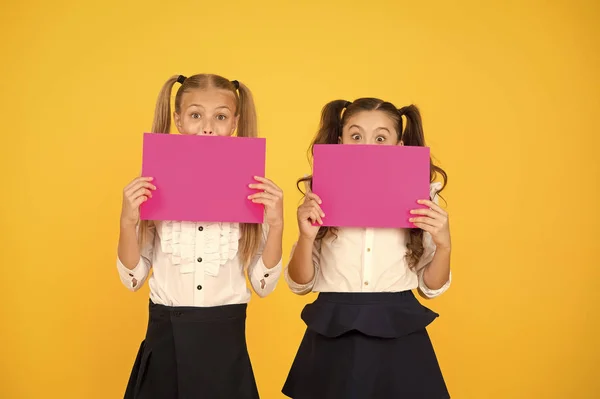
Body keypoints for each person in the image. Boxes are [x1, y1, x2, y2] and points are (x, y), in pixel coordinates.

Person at [117, 74, 284, 399]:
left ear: (234, 122)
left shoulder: (253, 191)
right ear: (178, 119)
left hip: (226, 342)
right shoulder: (154, 187)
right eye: (196, 115)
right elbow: (132, 279)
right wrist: (127, 220)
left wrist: (275, 225)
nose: (208, 127)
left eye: (220, 117)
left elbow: (263, 284)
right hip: (166, 339)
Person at [283, 98, 452, 398]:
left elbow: (431, 287)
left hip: (398, 327)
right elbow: (299, 283)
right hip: (333, 327)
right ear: (340, 141)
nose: (368, 145)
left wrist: (443, 245)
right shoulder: (319, 194)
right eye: (356, 136)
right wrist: (306, 236)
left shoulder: (421, 196)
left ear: (399, 146)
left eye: (381, 138)